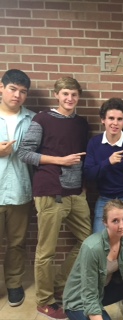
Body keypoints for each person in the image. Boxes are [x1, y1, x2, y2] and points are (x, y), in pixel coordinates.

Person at [18, 77, 92, 320]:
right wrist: (59, 161)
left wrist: (82, 186)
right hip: (50, 192)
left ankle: (59, 283)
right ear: (57, 95)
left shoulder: (81, 123)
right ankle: (44, 300)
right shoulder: (43, 119)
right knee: (46, 252)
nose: (69, 99)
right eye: (65, 94)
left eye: (74, 94)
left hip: (76, 193)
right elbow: (24, 153)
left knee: (87, 242)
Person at [83, 97, 123, 319]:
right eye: (111, 118)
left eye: (119, 119)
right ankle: (95, 293)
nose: (115, 123)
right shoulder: (94, 144)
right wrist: (107, 163)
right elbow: (89, 174)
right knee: (98, 246)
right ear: (103, 120)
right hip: (105, 199)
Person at [63, 199, 123, 320]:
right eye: (115, 221)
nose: (121, 226)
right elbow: (89, 295)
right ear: (105, 222)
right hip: (80, 299)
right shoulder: (92, 247)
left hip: (104, 289)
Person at [0, 69, 35, 307]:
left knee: (16, 243)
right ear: (1, 88)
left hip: (20, 191)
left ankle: (13, 284)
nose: (17, 95)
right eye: (13, 89)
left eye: (23, 92)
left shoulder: (33, 119)